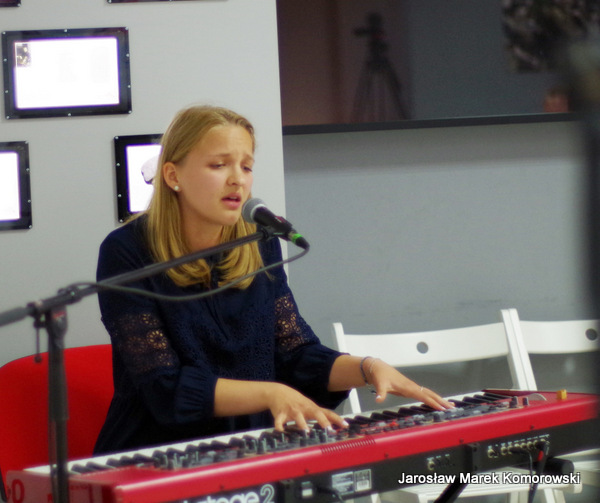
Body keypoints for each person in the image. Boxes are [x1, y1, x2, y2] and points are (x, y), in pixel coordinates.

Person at [93, 105, 451, 455]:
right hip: (154, 453)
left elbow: (296, 354)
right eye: (219, 165)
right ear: (173, 176)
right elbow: (165, 388)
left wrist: (367, 368)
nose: (238, 179)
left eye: (246, 166)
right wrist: (270, 393)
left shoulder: (259, 242)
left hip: (252, 444)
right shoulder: (126, 251)